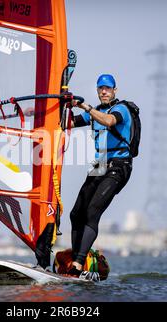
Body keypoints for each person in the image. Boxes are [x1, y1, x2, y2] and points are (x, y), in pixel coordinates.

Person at [61, 74, 134, 280]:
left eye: (107, 88)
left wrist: (86, 107)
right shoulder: (97, 111)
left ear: (114, 91)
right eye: (100, 88)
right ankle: (76, 261)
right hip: (99, 166)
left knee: (92, 211)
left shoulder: (121, 109)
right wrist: (63, 106)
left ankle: (77, 264)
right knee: (76, 213)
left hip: (119, 167)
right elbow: (68, 123)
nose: (103, 91)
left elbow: (109, 121)